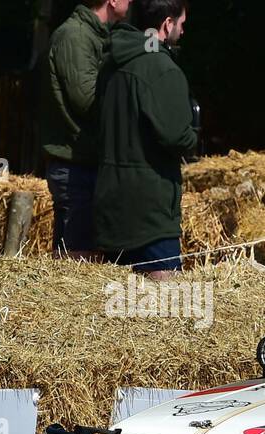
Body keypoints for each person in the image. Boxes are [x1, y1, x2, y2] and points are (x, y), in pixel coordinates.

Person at [93, 0, 196, 280]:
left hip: (110, 206)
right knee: (165, 311)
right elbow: (177, 136)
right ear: (167, 24)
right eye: (182, 24)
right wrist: (193, 134)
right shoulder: (162, 68)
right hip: (150, 218)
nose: (183, 32)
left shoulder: (110, 63)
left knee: (117, 312)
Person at [40, 0, 130, 258]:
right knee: (74, 265)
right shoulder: (74, 36)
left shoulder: (93, 35)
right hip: (74, 167)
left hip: (86, 163)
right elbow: (88, 100)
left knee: (84, 264)